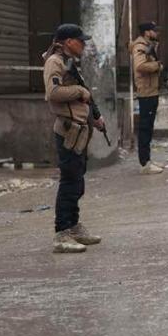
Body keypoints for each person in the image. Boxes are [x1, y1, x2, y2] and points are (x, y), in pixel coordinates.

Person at [42, 24, 105, 253]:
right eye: (80, 41)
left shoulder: (68, 62)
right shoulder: (54, 61)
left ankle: (74, 226)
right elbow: (53, 93)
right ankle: (62, 234)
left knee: (77, 182)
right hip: (68, 131)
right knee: (69, 182)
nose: (84, 45)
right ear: (68, 41)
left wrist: (95, 117)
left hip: (80, 131)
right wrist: (80, 92)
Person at [131, 22, 166, 175]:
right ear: (146, 32)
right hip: (146, 92)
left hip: (151, 91)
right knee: (145, 128)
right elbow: (140, 66)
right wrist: (157, 66)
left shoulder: (148, 45)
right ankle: (145, 164)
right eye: (154, 31)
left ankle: (148, 160)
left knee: (149, 128)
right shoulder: (140, 46)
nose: (156, 33)